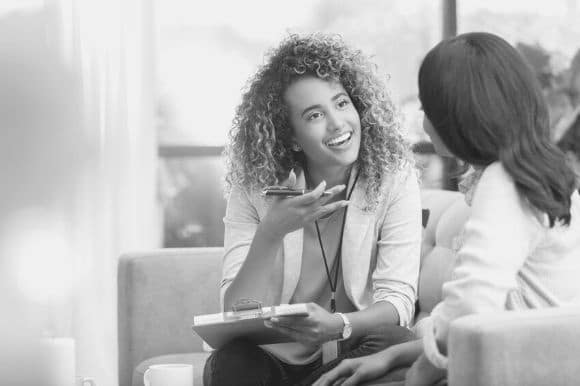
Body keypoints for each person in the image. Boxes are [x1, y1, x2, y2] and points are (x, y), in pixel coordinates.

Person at [314, 31, 580, 386]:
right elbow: (488, 316)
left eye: (427, 110)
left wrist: (418, 376)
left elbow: (471, 309)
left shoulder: (504, 182)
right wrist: (393, 355)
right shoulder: (536, 174)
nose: (423, 123)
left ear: (458, 118)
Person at [202, 33, 423, 386]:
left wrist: (338, 325)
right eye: (315, 114)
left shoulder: (393, 179)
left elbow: (398, 303)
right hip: (272, 361)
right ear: (290, 137)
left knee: (397, 341)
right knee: (231, 361)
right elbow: (236, 315)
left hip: (347, 354)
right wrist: (271, 233)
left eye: (341, 103)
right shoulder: (254, 189)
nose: (337, 123)